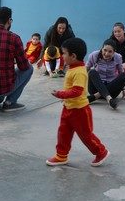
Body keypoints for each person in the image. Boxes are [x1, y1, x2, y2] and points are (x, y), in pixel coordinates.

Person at [46, 37, 110, 167]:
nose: (62, 56)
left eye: (64, 53)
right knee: (63, 132)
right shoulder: (72, 68)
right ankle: (61, 155)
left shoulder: (80, 71)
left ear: (73, 56)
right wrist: (65, 98)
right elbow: (71, 89)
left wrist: (60, 94)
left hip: (80, 111)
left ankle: (101, 152)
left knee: (86, 135)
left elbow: (77, 91)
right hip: (68, 108)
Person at [86, 39, 125, 109]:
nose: (106, 54)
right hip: (95, 88)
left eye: (110, 51)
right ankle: (108, 99)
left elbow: (121, 73)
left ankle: (96, 96)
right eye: (105, 50)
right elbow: (86, 69)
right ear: (102, 48)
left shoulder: (118, 57)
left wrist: (123, 89)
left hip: (112, 91)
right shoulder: (94, 55)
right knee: (92, 72)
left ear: (114, 52)